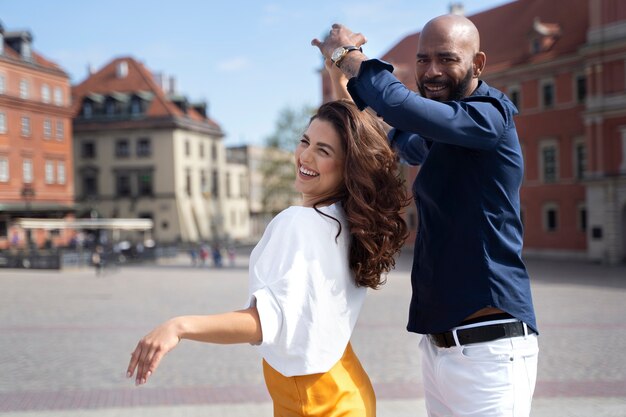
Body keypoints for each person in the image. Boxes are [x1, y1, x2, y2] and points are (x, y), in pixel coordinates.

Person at [312, 14, 539, 417]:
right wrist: (338, 78)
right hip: (440, 350)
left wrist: (349, 55)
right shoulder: (442, 134)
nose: (431, 72)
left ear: (478, 64)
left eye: (446, 59)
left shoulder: (489, 118)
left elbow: (401, 107)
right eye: (423, 60)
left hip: (488, 348)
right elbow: (381, 135)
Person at [126, 100, 408, 416]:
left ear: (349, 167)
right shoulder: (350, 222)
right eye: (305, 141)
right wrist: (337, 68)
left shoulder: (299, 222)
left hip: (316, 404)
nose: (305, 156)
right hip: (348, 389)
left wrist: (179, 326)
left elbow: (266, 322)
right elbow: (359, 129)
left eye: (323, 151)